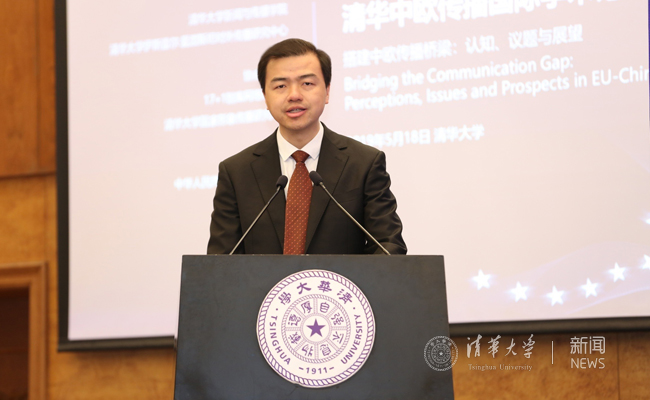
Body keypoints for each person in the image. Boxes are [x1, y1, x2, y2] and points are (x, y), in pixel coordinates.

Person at [207, 38, 406, 255]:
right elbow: (221, 262)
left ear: (327, 91)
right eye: (280, 86)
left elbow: (388, 247)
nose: (294, 95)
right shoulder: (236, 172)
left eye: (307, 84)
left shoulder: (364, 164)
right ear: (265, 96)